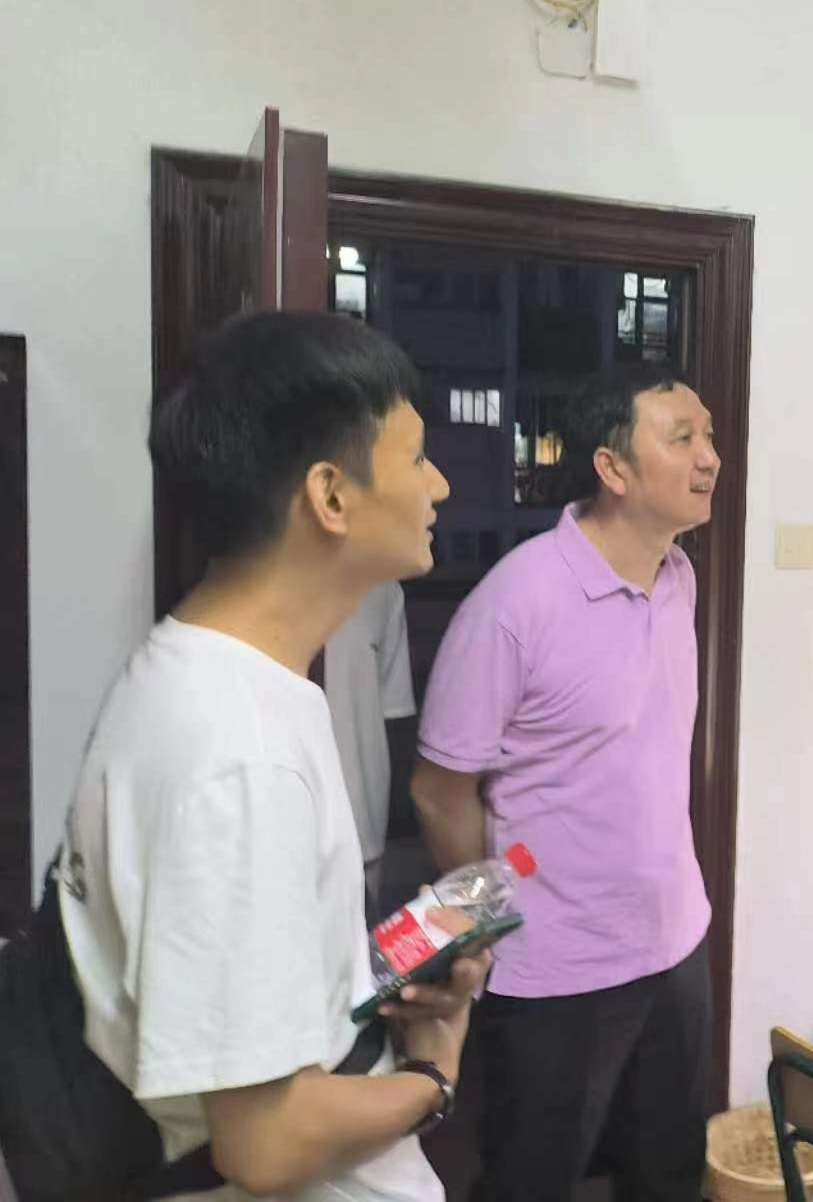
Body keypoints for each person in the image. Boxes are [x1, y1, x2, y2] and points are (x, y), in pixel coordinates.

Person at [59, 311, 484, 1202]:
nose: (440, 484)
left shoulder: (215, 678)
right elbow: (266, 1142)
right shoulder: (237, 751)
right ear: (331, 497)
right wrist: (434, 1073)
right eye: (416, 458)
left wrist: (380, 979)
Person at [411, 363, 719, 1202]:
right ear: (612, 468)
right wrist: (481, 929)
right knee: (532, 1181)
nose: (709, 457)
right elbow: (440, 789)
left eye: (708, 436)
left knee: (668, 1175)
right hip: (553, 962)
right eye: (682, 438)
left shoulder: (679, 578)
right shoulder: (517, 601)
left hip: (675, 940)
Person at [324, 579, 417, 914]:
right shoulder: (250, 584)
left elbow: (394, 712)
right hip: (271, 827)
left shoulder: (382, 590)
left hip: (362, 826)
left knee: (359, 939)